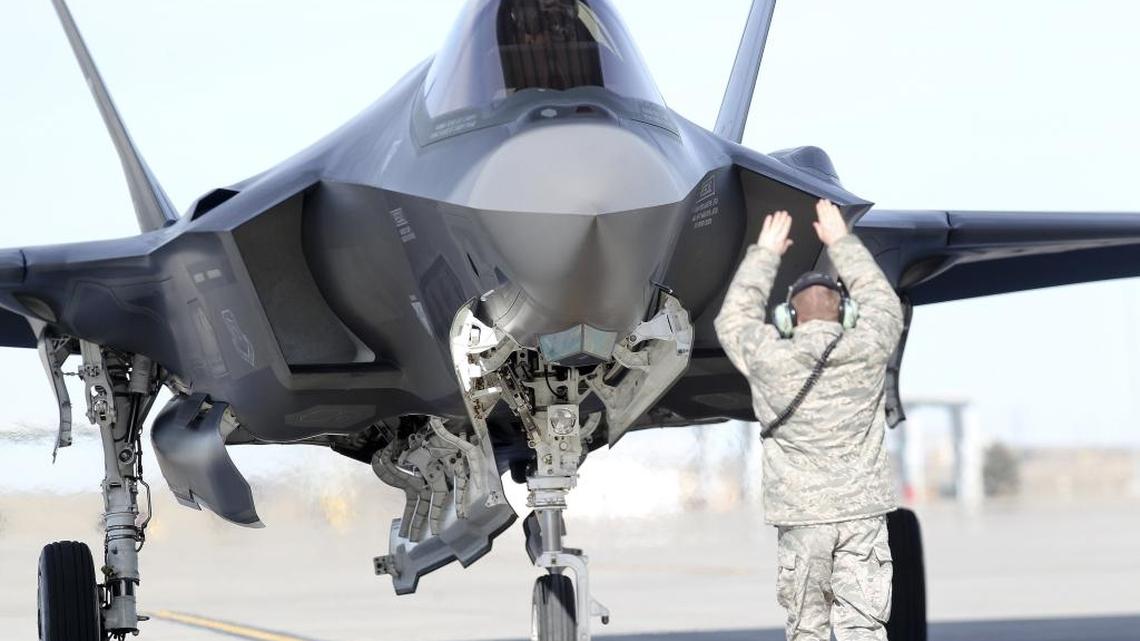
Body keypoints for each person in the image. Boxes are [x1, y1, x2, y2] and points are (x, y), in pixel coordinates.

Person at [714, 199, 905, 641]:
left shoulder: (770, 355)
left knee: (807, 630)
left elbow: (734, 320)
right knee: (863, 627)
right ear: (847, 314)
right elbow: (883, 304)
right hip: (862, 514)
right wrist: (841, 242)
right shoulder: (868, 346)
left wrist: (764, 253)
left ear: (787, 318)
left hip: (803, 519)